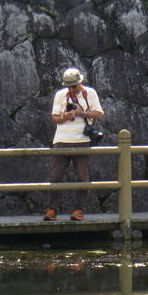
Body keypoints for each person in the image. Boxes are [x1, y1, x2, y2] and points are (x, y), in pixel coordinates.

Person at [44, 68, 104, 222]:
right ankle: (52, 209)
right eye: (69, 86)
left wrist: (81, 113)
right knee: (55, 176)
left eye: (74, 86)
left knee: (82, 177)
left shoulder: (89, 93)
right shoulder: (60, 95)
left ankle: (78, 210)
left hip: (82, 140)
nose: (71, 89)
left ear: (80, 82)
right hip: (61, 140)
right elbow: (55, 118)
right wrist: (66, 116)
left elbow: (99, 113)